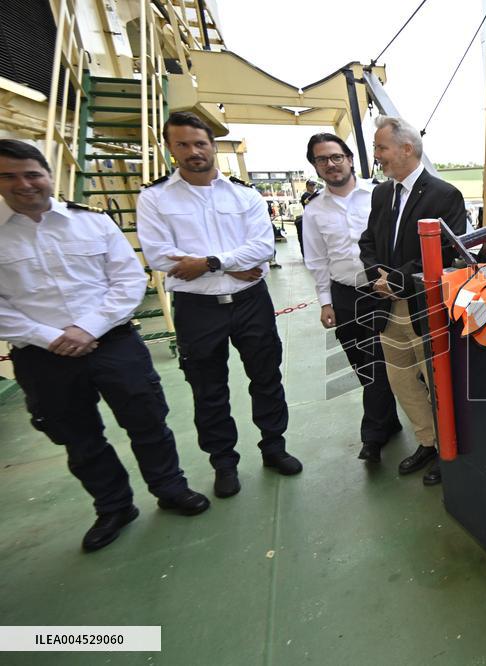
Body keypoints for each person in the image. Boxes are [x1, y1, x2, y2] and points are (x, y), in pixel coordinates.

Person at [0, 139, 209, 552]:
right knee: (78, 436)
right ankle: (113, 506)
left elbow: (129, 280)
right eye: (9, 176)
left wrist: (87, 328)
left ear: (48, 175)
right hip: (41, 355)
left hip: (112, 341)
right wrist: (51, 337)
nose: (24, 184)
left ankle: (170, 488)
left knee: (147, 420)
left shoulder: (91, 222)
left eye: (32, 173)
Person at [137, 111, 302, 500]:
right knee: (207, 389)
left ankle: (273, 447)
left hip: (250, 302)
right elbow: (162, 257)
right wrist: (231, 264)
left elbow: (262, 248)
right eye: (183, 144)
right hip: (197, 309)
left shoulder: (243, 195)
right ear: (171, 148)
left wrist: (208, 263)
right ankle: (223, 463)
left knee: (266, 377)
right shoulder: (155, 198)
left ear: (213, 146)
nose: (193, 151)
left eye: (200, 143)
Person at [358, 115, 467, 486]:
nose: (377, 156)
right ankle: (429, 441)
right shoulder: (381, 193)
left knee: (438, 383)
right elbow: (368, 242)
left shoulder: (445, 195)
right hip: (388, 308)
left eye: (381, 148)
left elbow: (445, 253)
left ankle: (451, 449)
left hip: (424, 306)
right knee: (401, 380)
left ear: (406, 148)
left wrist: (398, 279)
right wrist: (377, 275)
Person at [302, 132, 402, 462]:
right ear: (315, 167)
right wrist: (325, 302)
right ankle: (387, 422)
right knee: (361, 365)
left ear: (349, 159)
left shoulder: (380, 196)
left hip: (380, 291)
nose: (330, 164)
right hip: (344, 295)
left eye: (335, 157)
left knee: (376, 361)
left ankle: (372, 435)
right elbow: (316, 260)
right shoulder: (314, 212)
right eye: (321, 160)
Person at [295, 179, 319, 256]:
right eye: (310, 185)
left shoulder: (317, 194)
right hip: (309, 218)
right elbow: (306, 201)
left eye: (313, 185)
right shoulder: (305, 195)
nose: (312, 187)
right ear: (307, 186)